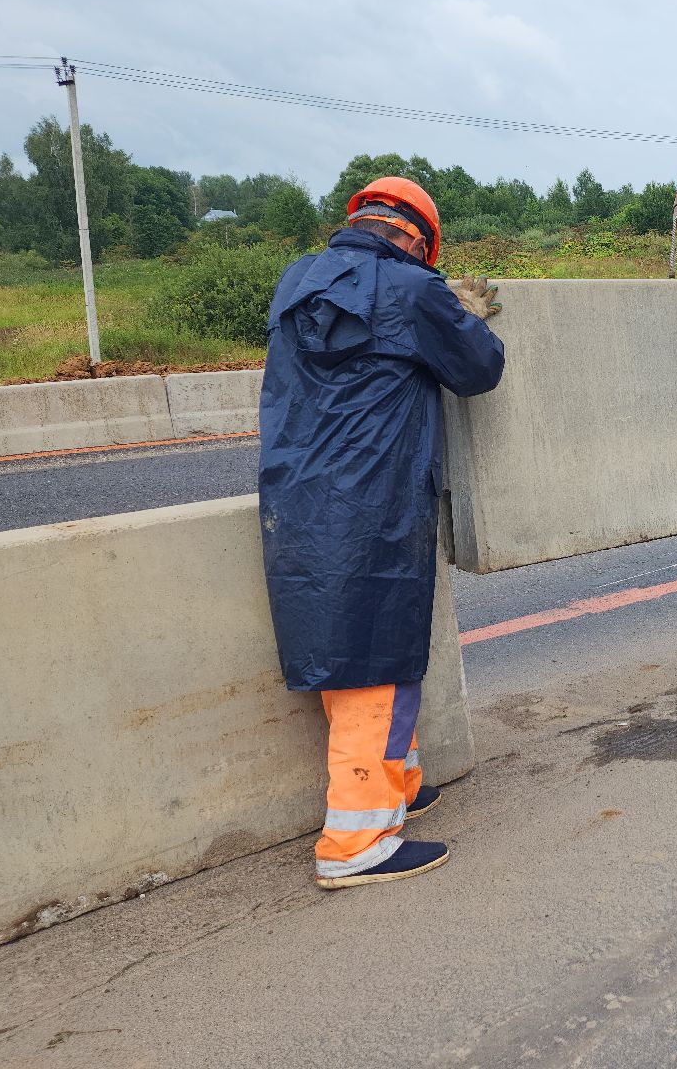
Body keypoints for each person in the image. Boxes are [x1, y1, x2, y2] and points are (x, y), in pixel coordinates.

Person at [258, 176, 506, 889]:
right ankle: (357, 842)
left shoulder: (296, 282)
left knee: (348, 643)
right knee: (376, 654)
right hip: (375, 497)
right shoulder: (410, 288)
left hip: (299, 496)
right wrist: (462, 311)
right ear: (420, 240)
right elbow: (480, 369)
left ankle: (397, 782)